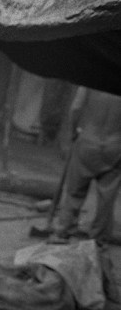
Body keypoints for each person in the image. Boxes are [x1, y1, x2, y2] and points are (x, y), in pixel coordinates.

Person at [52, 87, 121, 243]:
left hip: (88, 140)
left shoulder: (92, 78)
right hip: (115, 146)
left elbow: (76, 108)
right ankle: (98, 238)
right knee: (106, 198)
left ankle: (64, 230)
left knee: (74, 192)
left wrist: (73, 132)